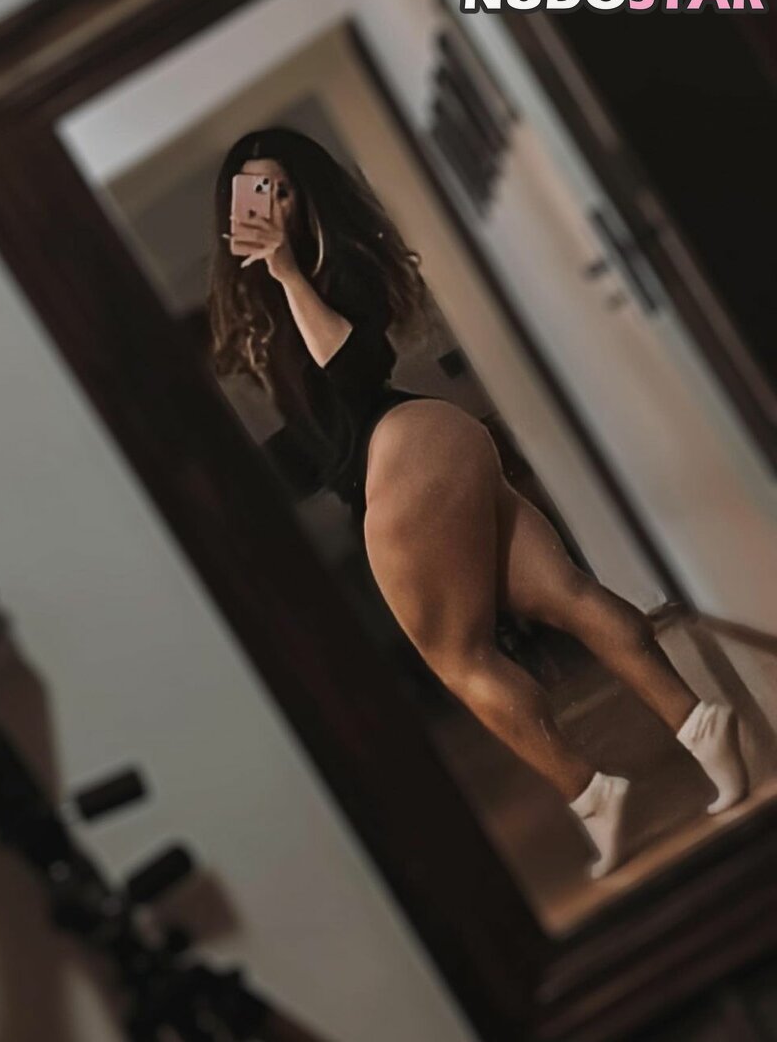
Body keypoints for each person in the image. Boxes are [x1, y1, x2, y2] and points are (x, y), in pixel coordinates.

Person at [206, 127, 749, 879]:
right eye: (254, 190)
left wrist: (290, 273)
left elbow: (354, 372)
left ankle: (591, 793)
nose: (270, 205)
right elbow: (318, 432)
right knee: (565, 594)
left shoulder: (331, 266)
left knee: (458, 657)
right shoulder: (267, 308)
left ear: (307, 195)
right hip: (433, 442)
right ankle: (700, 724)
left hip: (403, 444)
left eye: (282, 188)